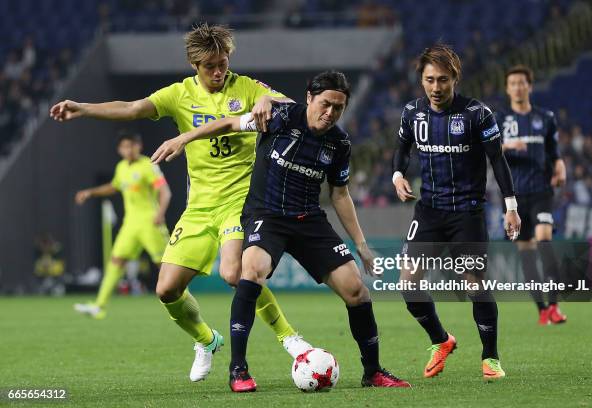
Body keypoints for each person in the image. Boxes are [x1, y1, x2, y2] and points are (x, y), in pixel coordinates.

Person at [49, 23, 310, 383]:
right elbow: (131, 108)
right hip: (200, 206)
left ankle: (290, 338)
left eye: (223, 63)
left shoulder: (246, 87)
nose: (219, 72)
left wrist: (268, 99)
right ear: (194, 65)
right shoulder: (179, 94)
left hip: (241, 200)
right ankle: (206, 340)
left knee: (235, 273)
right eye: (210, 66)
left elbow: (297, 109)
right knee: (166, 289)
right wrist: (84, 108)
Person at [152, 70, 411, 392]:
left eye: (338, 108)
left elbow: (340, 193)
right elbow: (230, 124)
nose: (330, 113)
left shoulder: (339, 143)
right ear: (309, 99)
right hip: (267, 215)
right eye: (325, 104)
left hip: (309, 220)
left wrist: (361, 244)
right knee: (251, 271)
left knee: (356, 290)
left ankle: (372, 372)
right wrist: (185, 137)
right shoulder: (280, 117)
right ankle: (238, 370)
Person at [391, 44, 521, 381]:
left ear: (455, 79)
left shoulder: (477, 114)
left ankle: (490, 357)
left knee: (474, 285)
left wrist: (511, 207)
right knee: (407, 283)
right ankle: (441, 340)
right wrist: (397, 174)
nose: (436, 88)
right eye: (430, 80)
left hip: (467, 212)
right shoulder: (412, 113)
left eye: (443, 81)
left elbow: (498, 160)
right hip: (429, 211)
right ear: (421, 80)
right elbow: (402, 147)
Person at [74, 131, 171, 319]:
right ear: (119, 149)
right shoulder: (121, 168)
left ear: (139, 146)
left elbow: (165, 192)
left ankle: (182, 303)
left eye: (132, 145)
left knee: (165, 265)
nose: (129, 149)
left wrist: (160, 214)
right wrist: (90, 193)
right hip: (130, 224)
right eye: (125, 146)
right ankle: (99, 306)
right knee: (117, 260)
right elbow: (114, 186)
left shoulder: (148, 166)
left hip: (150, 222)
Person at [498, 64, 567, 325]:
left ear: (529, 86)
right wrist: (507, 145)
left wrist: (560, 167)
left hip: (541, 191)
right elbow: (488, 151)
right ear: (507, 88)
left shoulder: (545, 117)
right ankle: (541, 310)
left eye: (521, 82)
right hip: (514, 198)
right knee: (526, 252)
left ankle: (554, 306)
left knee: (544, 239)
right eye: (512, 83)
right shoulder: (499, 119)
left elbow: (555, 152)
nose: (517, 87)